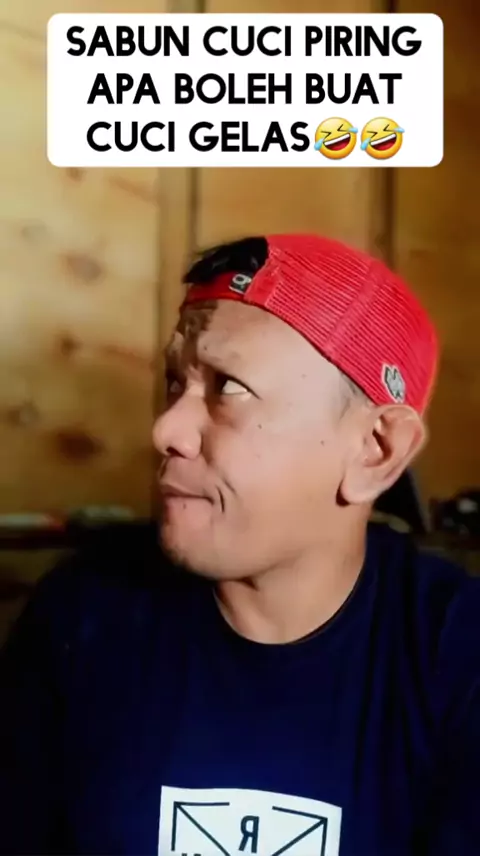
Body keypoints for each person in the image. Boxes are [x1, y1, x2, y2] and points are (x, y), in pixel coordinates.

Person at [1, 233, 479, 856]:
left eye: (228, 387)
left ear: (375, 450)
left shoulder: (458, 655)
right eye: (176, 382)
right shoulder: (82, 615)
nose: (167, 429)